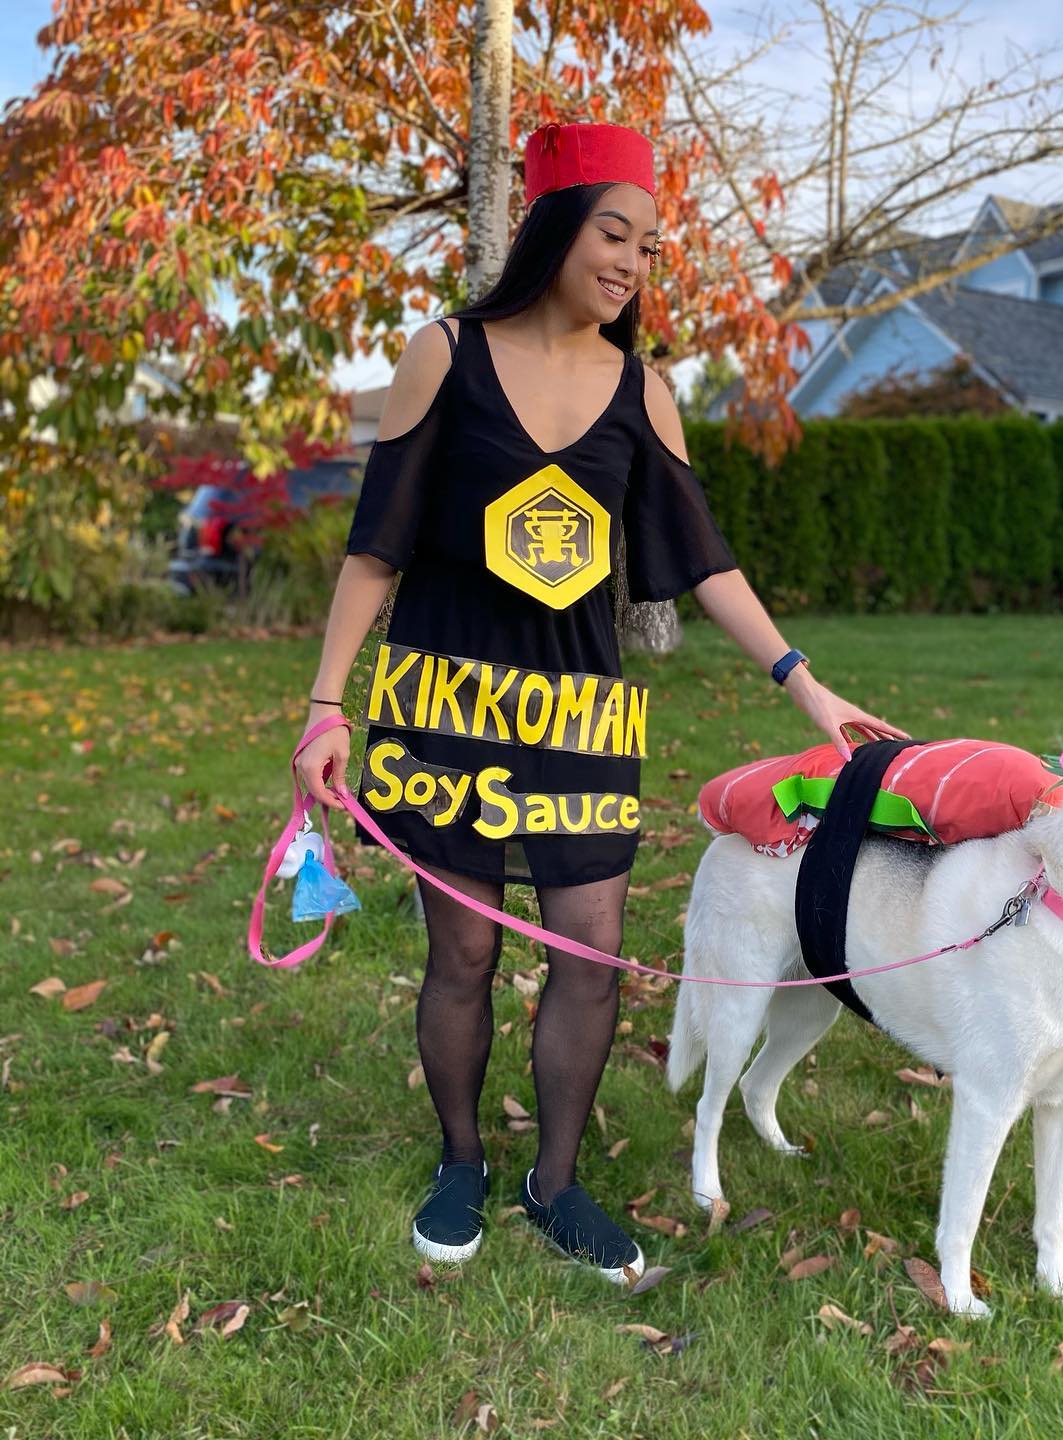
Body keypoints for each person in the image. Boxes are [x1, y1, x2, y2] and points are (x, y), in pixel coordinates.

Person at [293, 119, 909, 1284]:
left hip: (578, 723)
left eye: (648, 245)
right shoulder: (446, 354)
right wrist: (327, 706)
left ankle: (557, 1182)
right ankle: (464, 1161)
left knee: (592, 955)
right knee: (464, 953)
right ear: (554, 230)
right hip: (446, 707)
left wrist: (804, 683)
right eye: (611, 232)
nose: (630, 261)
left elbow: (705, 560)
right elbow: (375, 550)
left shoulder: (645, 390)